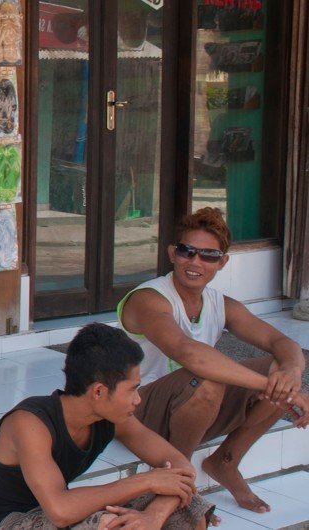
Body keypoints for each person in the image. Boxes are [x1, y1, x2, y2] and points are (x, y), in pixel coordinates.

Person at [118, 207, 309, 513]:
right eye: (187, 251)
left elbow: (282, 342)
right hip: (138, 412)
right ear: (172, 253)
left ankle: (225, 462)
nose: (195, 262)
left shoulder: (220, 304)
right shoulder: (149, 299)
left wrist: (290, 375)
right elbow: (188, 352)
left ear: (222, 262)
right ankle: (177, 482)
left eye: (208, 255)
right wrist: (279, 390)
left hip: (193, 409)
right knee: (209, 379)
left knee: (277, 369)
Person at [0, 322, 213, 530]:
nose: (137, 399)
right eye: (132, 389)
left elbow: (182, 468)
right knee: (111, 524)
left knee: (188, 504)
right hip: (13, 522)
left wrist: (154, 515)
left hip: (63, 511)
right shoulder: (30, 423)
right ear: (99, 391)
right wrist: (146, 480)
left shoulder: (111, 419)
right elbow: (60, 511)